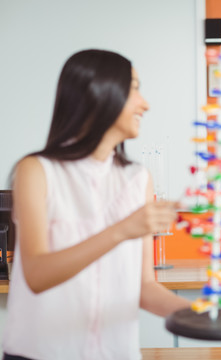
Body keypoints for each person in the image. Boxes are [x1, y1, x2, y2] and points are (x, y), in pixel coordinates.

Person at [2, 49, 190, 360]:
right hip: (40, 352)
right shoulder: (36, 170)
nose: (145, 103)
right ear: (98, 94)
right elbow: (36, 274)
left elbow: (143, 286)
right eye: (134, 89)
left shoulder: (138, 178)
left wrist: (198, 315)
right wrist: (121, 230)